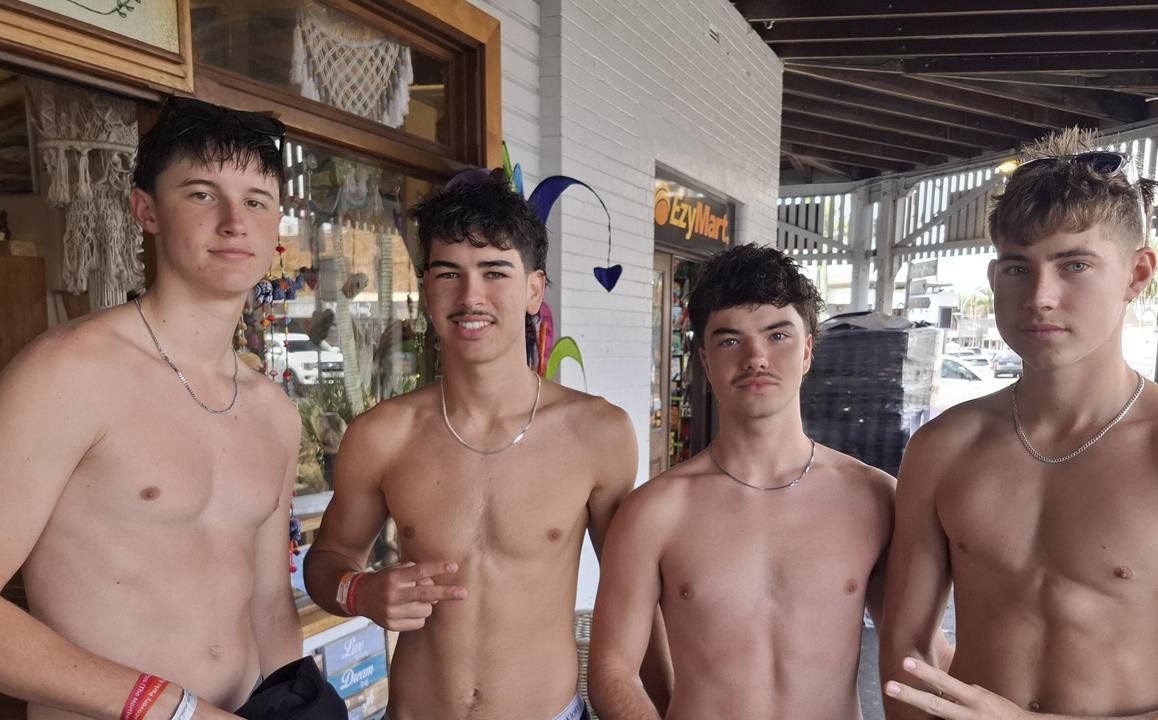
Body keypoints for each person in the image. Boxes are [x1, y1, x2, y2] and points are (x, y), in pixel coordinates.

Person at [880, 135, 1158, 719]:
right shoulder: (942, 448)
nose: (1040, 297)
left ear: (1137, 273)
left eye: (1075, 264)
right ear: (994, 278)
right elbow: (904, 654)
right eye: (1019, 267)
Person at [0, 96, 303, 719]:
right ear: (146, 211)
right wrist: (171, 707)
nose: (233, 221)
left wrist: (298, 703)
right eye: (200, 194)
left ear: (276, 226)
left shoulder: (274, 409)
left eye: (255, 200)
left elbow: (271, 604)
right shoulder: (68, 371)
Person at [304, 170, 643, 720]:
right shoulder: (382, 434)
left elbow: (634, 600)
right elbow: (329, 559)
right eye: (448, 274)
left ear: (534, 291)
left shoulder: (597, 434)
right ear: (425, 289)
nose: (471, 296)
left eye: (495, 272)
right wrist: (357, 593)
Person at [588, 244, 919, 720]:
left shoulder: (873, 497)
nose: (756, 357)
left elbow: (915, 655)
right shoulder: (655, 511)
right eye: (729, 340)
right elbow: (612, 670)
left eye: (777, 335)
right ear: (704, 361)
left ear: (807, 350)